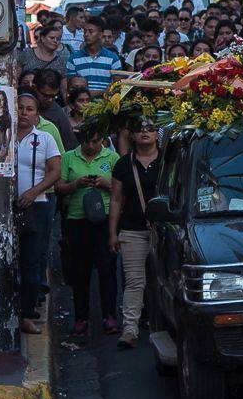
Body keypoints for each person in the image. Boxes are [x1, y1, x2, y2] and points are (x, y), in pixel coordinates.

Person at [55, 124, 119, 339]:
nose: (91, 146)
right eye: (87, 142)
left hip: (105, 219)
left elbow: (121, 189)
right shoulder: (69, 158)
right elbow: (59, 187)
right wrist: (76, 184)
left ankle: (109, 315)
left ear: (102, 140)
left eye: (95, 142)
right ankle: (81, 318)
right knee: (80, 271)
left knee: (107, 269)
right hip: (77, 220)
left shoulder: (112, 158)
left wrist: (106, 184)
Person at [108, 121, 162, 349]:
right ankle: (130, 329)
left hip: (163, 230)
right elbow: (116, 199)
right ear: (132, 135)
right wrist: (113, 233)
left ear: (157, 134)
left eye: (150, 128)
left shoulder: (169, 160)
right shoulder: (122, 164)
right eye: (139, 129)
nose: (144, 132)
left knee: (165, 280)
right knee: (134, 281)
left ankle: (165, 326)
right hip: (132, 230)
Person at [14, 93, 63, 335]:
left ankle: (26, 314)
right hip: (6, 206)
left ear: (37, 114)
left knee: (32, 261)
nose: (24, 112)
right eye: (20, 108)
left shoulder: (44, 138)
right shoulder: (2, 136)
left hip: (38, 205)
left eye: (29, 109)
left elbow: (55, 171)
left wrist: (34, 192)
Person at [70, 19, 123, 94]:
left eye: (91, 31)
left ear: (100, 35)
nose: (86, 34)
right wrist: (103, 92)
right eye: (85, 31)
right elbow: (70, 87)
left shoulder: (113, 59)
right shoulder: (73, 58)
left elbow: (118, 87)